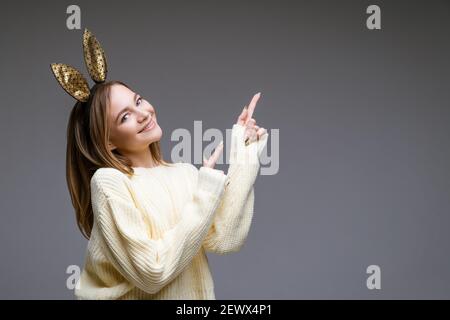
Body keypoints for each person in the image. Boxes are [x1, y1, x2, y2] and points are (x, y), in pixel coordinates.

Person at [51, 29, 268, 299]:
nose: (143, 113)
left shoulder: (186, 174)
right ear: (108, 142)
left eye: (138, 100)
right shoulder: (110, 184)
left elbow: (226, 239)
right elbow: (152, 273)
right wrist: (206, 192)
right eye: (125, 117)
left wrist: (245, 154)